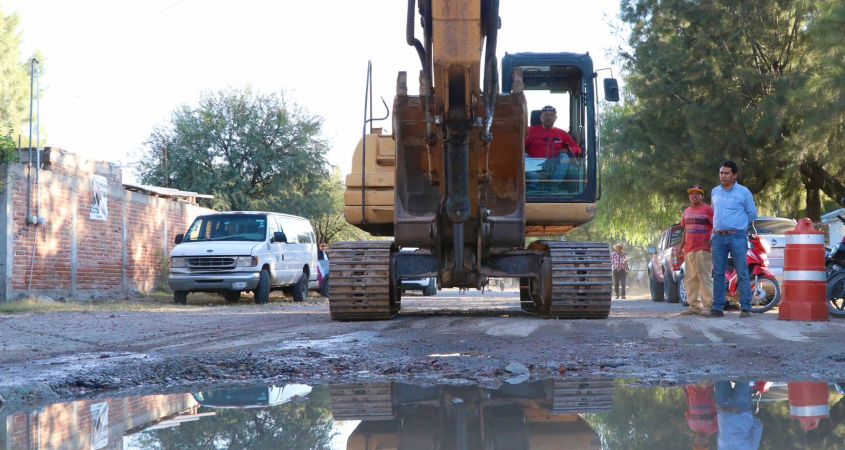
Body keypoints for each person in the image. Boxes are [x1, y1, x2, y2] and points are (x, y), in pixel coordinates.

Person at [710, 161, 757, 318]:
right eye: (721, 173)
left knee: (742, 272)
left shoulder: (744, 192)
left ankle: (746, 307)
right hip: (718, 237)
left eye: (726, 173)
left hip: (737, 236)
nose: (723, 176)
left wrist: (741, 227)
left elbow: (752, 214)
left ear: (735, 175)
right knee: (718, 273)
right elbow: (714, 212)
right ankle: (717, 307)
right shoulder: (715, 192)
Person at [524, 105, 583, 190]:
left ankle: (554, 184)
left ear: (555, 118)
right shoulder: (529, 131)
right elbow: (519, 146)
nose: (548, 117)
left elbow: (577, 148)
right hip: (533, 163)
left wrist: (567, 150)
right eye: (546, 115)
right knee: (521, 156)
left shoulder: (562, 134)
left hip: (554, 163)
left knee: (564, 157)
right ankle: (535, 181)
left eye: (551, 115)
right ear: (540, 117)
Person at [680, 184, 715, 317]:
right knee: (690, 279)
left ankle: (708, 307)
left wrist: (711, 241)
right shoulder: (686, 211)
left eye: (697, 193)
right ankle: (694, 307)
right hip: (689, 250)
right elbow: (685, 230)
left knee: (704, 278)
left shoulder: (708, 210)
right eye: (692, 194)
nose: (694, 196)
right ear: (689, 196)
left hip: (703, 249)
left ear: (702, 196)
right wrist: (681, 246)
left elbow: (716, 226)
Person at [714, 381, 763, 449]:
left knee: (719, 375)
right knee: (745, 377)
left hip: (723, 405)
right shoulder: (751, 448)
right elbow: (758, 427)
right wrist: (745, 416)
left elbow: (719, 434)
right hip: (741, 406)